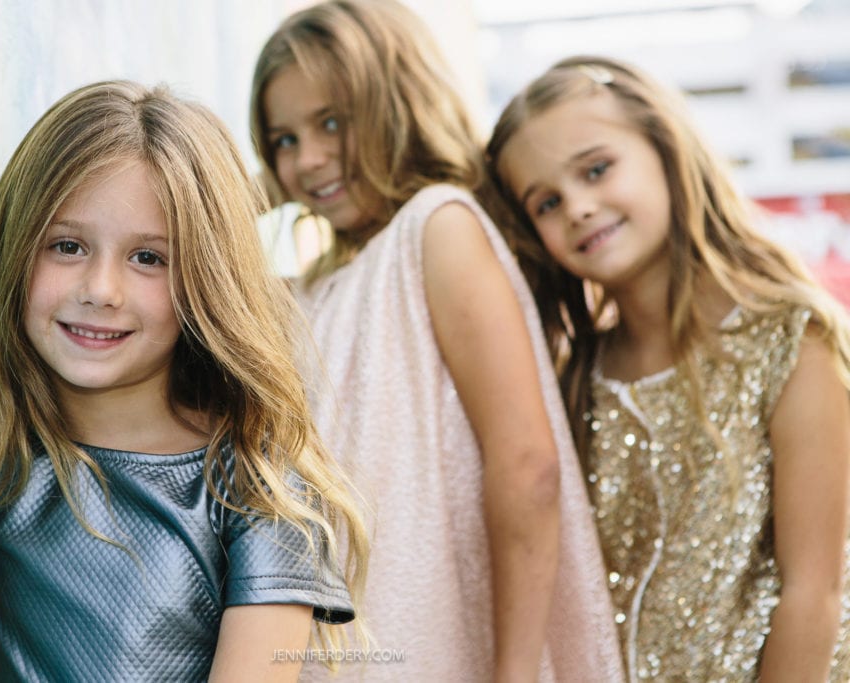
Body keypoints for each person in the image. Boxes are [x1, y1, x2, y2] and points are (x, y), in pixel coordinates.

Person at [0, 80, 369, 683]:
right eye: (67, 246)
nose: (100, 290)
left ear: (206, 282)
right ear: (16, 249)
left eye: (148, 258)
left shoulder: (257, 498)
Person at [250, 2, 625, 681]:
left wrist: (514, 674)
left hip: (445, 647)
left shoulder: (439, 227)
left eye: (332, 122)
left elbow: (527, 465)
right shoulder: (321, 285)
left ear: (395, 102)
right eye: (283, 140)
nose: (307, 159)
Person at [487, 54, 850, 680]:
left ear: (665, 149)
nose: (578, 207)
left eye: (596, 170)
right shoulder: (575, 380)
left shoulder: (793, 341)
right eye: (546, 202)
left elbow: (813, 595)